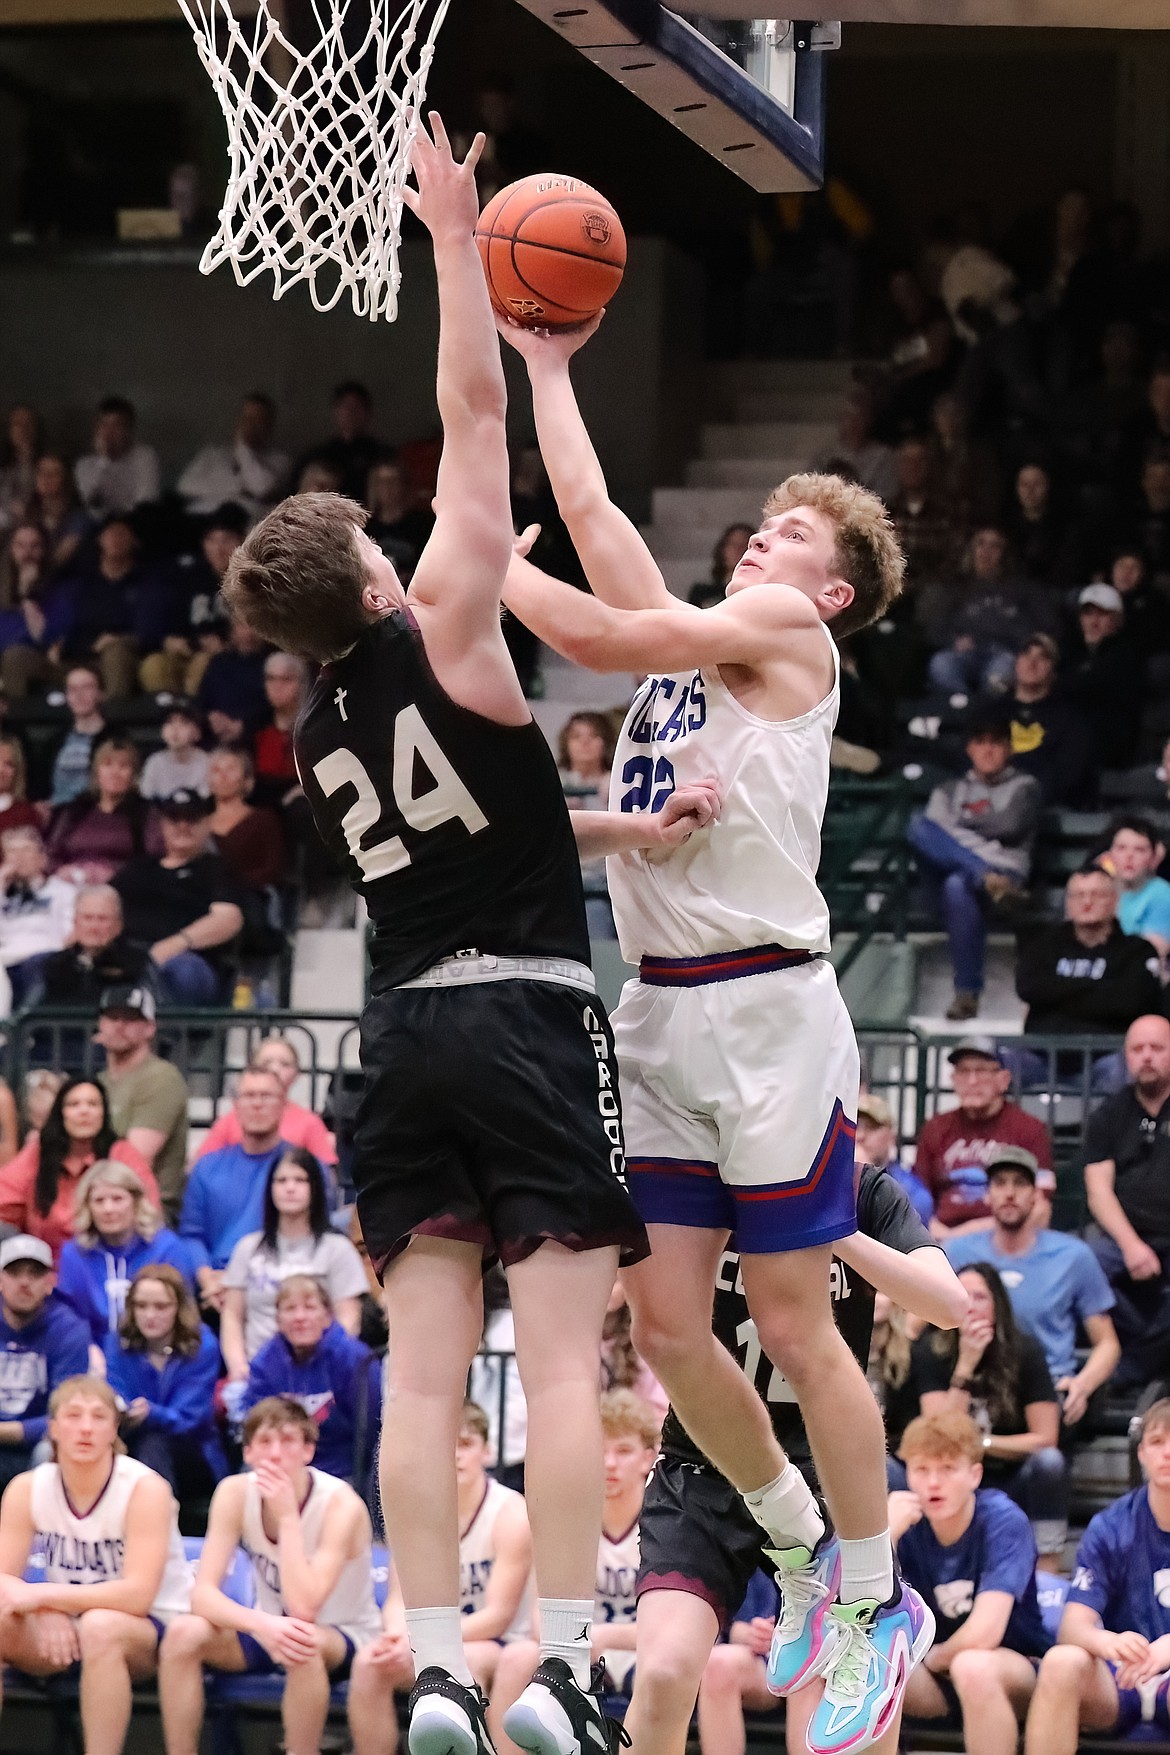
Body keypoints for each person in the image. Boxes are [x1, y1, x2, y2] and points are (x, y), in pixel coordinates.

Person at [222, 117, 691, 1755]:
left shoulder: (316, 741)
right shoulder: (457, 617)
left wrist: (624, 828)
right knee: (563, 1370)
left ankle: (428, 1667)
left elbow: (485, 832)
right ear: (370, 564)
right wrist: (455, 240)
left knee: (422, 1385)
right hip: (530, 1029)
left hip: (400, 1038)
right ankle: (560, 1670)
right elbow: (471, 408)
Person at [498, 298, 931, 1753]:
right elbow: (596, 516)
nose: (761, 539)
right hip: (661, 1013)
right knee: (668, 1323)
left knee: (798, 1321)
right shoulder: (699, 647)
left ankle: (872, 1598)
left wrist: (468, 565)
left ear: (835, 587)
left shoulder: (786, 641)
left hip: (764, 1008)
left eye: (789, 533)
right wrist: (548, 368)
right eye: (758, 528)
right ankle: (805, 1545)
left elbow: (583, 613)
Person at [618, 1166, 967, 1755]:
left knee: (853, 1698)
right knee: (662, 1673)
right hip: (704, 1459)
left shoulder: (861, 1189)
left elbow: (949, 1305)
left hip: (823, 1465)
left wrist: (831, 1231)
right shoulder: (694, 1176)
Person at [159, 1393, 380, 1755]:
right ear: (247, 1454)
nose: (275, 1454)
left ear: (308, 1451)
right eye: (264, 1442)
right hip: (272, 1627)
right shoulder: (233, 1492)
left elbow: (304, 1607)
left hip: (345, 1634)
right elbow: (202, 1596)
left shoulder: (341, 1504)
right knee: (183, 1633)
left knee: (301, 1640)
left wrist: (289, 1520)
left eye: (288, 1441)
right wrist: (260, 1624)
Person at [0, 1373, 192, 1755]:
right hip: (66, 1626)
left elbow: (137, 1595)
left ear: (115, 1429)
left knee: (100, 1626)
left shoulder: (145, 1488)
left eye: (99, 1417)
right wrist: (49, 1607)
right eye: (73, 1416)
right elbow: (5, 1583)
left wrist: (45, 1599)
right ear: (53, 1428)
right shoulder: (26, 1488)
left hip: (149, 1631)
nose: (85, 1428)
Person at [347, 1397, 535, 1753]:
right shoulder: (417, 1511)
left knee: (464, 1665)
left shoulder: (510, 1514)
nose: (456, 1455)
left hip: (498, 1643)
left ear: (487, 1451)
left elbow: (498, 1616)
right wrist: (395, 1637)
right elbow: (398, 1600)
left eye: (465, 1444)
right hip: (433, 1639)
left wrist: (425, 1643)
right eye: (447, 1445)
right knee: (368, 1664)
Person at [490, 1389, 660, 1747]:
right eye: (600, 1450)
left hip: (642, 1651)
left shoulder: (666, 1524)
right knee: (517, 1657)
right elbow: (539, 1620)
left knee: (664, 1669)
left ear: (649, 1458)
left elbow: (672, 1629)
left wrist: (608, 1637)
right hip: (578, 1649)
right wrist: (585, 1643)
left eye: (623, 1451)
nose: (610, 1463)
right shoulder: (565, 1524)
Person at [893, 1412, 1051, 1754]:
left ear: (975, 1475)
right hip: (936, 1677)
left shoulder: (1003, 1521)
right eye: (921, 1470)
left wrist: (935, 1659)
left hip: (1014, 1667)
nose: (933, 1483)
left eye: (947, 1469)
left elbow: (985, 1633)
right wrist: (885, 1540)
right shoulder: (902, 1523)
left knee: (973, 1666)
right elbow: (865, 1616)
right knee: (862, 1665)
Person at [1024, 1396, 1170, 1755]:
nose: (1168, 1453)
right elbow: (1073, 1627)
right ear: (1140, 1454)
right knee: (1061, 1662)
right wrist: (1109, 1642)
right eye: (1157, 1442)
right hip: (1120, 1677)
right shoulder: (1111, 1526)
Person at [944, 1147, 1119, 1427]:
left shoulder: (1073, 1256)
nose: (1010, 1193)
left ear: (1036, 1195)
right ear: (987, 1195)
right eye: (1000, 1183)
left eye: (1020, 1183)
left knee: (1047, 1461)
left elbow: (1108, 1343)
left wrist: (1083, 1385)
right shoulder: (958, 1253)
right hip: (974, 1387)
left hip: (1046, 1392)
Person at [913, 1261, 1068, 1563]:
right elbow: (934, 1438)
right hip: (951, 1473)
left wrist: (981, 1444)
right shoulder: (930, 1352)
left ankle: (1049, 1565)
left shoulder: (1026, 1351)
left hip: (1013, 1473)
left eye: (981, 1297)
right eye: (963, 1295)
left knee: (1050, 1463)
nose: (971, 1306)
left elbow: (1045, 1438)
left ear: (998, 1305)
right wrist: (966, 1366)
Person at [906, 719, 1043, 1022]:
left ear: (1008, 749)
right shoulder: (949, 789)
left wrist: (958, 826)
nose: (989, 750)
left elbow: (1010, 826)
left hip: (1006, 874)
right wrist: (976, 847)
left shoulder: (1026, 787)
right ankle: (982, 875)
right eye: (981, 743)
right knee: (918, 827)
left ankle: (967, 992)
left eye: (996, 743)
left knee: (956, 884)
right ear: (970, 749)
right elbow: (929, 833)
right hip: (961, 877)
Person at [220, 1148, 366, 1378]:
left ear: (315, 1188)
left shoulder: (338, 1250)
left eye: (300, 1180)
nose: (290, 1187)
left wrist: (327, 1366)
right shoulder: (247, 1248)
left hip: (321, 1373)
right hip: (258, 1373)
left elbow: (348, 1321)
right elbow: (232, 1316)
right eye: (281, 1180)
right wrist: (239, 1368)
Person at [1082, 1013, 1170, 1387]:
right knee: (1084, 1263)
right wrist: (1132, 1246)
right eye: (1137, 1049)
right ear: (1126, 1057)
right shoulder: (1109, 1114)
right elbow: (1098, 1189)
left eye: (1157, 1048)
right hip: (1123, 1238)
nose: (1146, 1056)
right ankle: (1151, 1354)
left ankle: (1130, 1368)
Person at [242, 1276, 381, 1486]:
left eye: (309, 1307)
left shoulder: (355, 1360)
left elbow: (370, 1431)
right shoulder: (265, 1363)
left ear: (327, 1316)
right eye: (289, 1309)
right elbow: (256, 1422)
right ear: (278, 1320)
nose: (300, 1317)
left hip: (343, 1470)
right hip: (281, 1465)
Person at [0, 1075, 158, 1260]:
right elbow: (5, 1199)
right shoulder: (38, 1153)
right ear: (60, 1113)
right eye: (74, 1104)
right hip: (43, 1272)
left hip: (108, 1266)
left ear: (103, 1112)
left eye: (93, 1104)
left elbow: (149, 1212)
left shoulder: (123, 1154)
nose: (84, 1111)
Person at [112, 788, 244, 1006]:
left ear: (206, 824)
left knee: (183, 971)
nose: (182, 826)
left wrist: (174, 944)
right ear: (162, 825)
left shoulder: (217, 869)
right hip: (129, 953)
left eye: (192, 819)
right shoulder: (138, 868)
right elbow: (102, 902)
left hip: (188, 959)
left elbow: (228, 920)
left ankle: (169, 1039)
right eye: (174, 819)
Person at [103, 1263, 226, 1492]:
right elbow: (116, 1391)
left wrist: (151, 1412)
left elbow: (190, 1420)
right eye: (141, 1306)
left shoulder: (202, 1345)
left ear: (179, 1308)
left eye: (161, 1307)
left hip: (193, 1453)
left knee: (153, 1443)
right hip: (131, 1440)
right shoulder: (117, 1342)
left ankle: (159, 1519)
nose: (150, 1315)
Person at [913, 1038, 1052, 1235]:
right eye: (964, 1072)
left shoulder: (1029, 1128)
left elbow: (1040, 1201)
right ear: (953, 1080)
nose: (972, 1081)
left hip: (1004, 1235)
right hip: (940, 1236)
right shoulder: (936, 1127)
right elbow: (919, 1193)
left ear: (1003, 1080)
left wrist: (968, 1234)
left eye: (981, 1071)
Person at [179, 1064, 288, 1312]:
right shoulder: (207, 1168)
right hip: (214, 1289)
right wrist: (207, 1278)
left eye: (266, 1096)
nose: (257, 1104)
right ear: (236, 1106)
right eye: (249, 1096)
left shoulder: (304, 1168)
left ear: (284, 1105)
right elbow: (191, 1235)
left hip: (280, 1291)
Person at [1015, 865, 1162, 1043]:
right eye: (1078, 895)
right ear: (1067, 903)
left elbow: (1130, 1001)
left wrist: (1058, 994)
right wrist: (1101, 988)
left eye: (1096, 894)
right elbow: (1028, 989)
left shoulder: (1137, 950)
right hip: (1043, 1052)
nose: (1087, 902)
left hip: (1110, 1052)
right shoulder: (1042, 946)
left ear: (1114, 901)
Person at [56, 1157, 192, 1344]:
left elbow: (183, 1315)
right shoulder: (74, 1254)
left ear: (136, 1202)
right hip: (93, 1355)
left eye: (117, 1199)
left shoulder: (167, 1248)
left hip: (152, 1352)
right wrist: (88, 1350)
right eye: (99, 1201)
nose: (108, 1209)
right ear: (88, 1207)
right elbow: (69, 1319)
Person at [95, 983, 190, 1223]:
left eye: (130, 1019)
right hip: (101, 1202)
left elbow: (134, 1161)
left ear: (150, 1028)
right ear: (100, 1025)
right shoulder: (99, 1082)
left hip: (148, 1208)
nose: (119, 1026)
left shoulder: (161, 1077)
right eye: (112, 1017)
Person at [0, 1236, 90, 1487]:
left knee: (52, 1450)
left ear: (50, 1282)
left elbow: (65, 1413)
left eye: (34, 1274)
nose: (24, 1282)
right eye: (15, 1272)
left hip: (39, 1444)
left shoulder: (69, 1330)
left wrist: (8, 1432)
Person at [987, 635, 1096, 809]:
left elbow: (1067, 774)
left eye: (1043, 657)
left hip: (1043, 808)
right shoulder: (991, 712)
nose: (1032, 662)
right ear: (1016, 663)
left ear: (1054, 671)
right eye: (1026, 654)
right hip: (988, 802)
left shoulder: (1070, 720)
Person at [199, 1037, 336, 1166]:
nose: (275, 1069)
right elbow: (202, 1165)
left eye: (285, 1064)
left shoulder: (309, 1123)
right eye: (266, 1063)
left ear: (296, 1073)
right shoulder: (230, 1120)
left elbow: (324, 1176)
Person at [46, 735, 161, 886]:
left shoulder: (144, 812)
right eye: (108, 765)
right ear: (96, 771)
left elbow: (152, 860)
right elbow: (52, 853)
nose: (115, 772)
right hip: (70, 884)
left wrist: (115, 874)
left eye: (123, 766)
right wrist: (62, 872)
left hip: (122, 886)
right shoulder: (76, 810)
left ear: (133, 774)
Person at [176, 392, 289, 524]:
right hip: (203, 519)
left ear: (268, 424)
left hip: (246, 523)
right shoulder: (213, 453)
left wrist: (243, 448)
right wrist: (237, 489)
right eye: (246, 418)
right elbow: (185, 486)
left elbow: (260, 489)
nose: (250, 426)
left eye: (257, 420)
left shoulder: (280, 460)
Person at [1064, 583, 1142, 771]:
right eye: (1088, 614)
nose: (1094, 621)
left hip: (1106, 742)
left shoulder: (1127, 653)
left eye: (1102, 614)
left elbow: (1100, 690)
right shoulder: (1070, 651)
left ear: (1118, 620)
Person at [0, 825, 79, 1009]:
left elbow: (70, 934)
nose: (19, 858)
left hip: (46, 954)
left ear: (42, 858)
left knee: (37, 966)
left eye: (26, 850)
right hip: (5, 956)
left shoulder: (63, 891)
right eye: (12, 852)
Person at [39, 886, 152, 1008]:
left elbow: (160, 1009)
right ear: (75, 922)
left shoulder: (138, 961)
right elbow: (29, 1012)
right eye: (87, 918)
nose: (94, 927)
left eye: (102, 919)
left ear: (118, 925)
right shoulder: (55, 965)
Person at [205, 744, 286, 891]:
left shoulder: (264, 819)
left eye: (231, 769)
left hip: (254, 899)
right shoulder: (200, 823)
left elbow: (273, 869)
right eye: (216, 770)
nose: (223, 776)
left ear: (247, 779)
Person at [297, 381, 390, 504]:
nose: (351, 413)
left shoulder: (382, 455)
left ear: (367, 412)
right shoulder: (316, 456)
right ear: (336, 411)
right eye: (345, 407)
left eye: (357, 407)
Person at [73, 397, 160, 520]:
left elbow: (146, 503)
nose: (109, 432)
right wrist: (104, 460)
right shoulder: (84, 465)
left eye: (117, 425)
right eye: (104, 424)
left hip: (137, 522)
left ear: (129, 430)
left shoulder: (145, 456)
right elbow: (92, 506)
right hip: (100, 524)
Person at [855, 1092, 933, 1225]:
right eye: (854, 1126)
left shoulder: (908, 1189)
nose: (860, 1136)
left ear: (892, 1136)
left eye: (871, 1128)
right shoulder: (830, 1181)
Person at [1101, 815, 1170, 963]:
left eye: (1139, 850)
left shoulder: (1163, 894)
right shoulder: (1096, 889)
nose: (1129, 856)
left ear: (1152, 857)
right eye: (1121, 848)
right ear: (1109, 855)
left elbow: (1154, 951)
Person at [197, 616, 270, 746]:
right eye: (241, 626)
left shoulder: (272, 664)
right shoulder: (218, 663)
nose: (248, 633)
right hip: (215, 737)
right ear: (232, 630)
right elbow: (202, 700)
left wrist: (243, 726)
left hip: (257, 737)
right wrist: (211, 718)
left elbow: (274, 708)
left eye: (253, 625)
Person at [48, 665, 107, 808]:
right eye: (73, 689)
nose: (79, 695)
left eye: (87, 687)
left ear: (100, 694)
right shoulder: (55, 740)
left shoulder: (115, 737)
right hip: (58, 815)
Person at [141, 702, 211, 801]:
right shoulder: (154, 762)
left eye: (184, 722)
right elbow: (146, 797)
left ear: (197, 733)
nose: (175, 728)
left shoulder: (206, 762)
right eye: (169, 722)